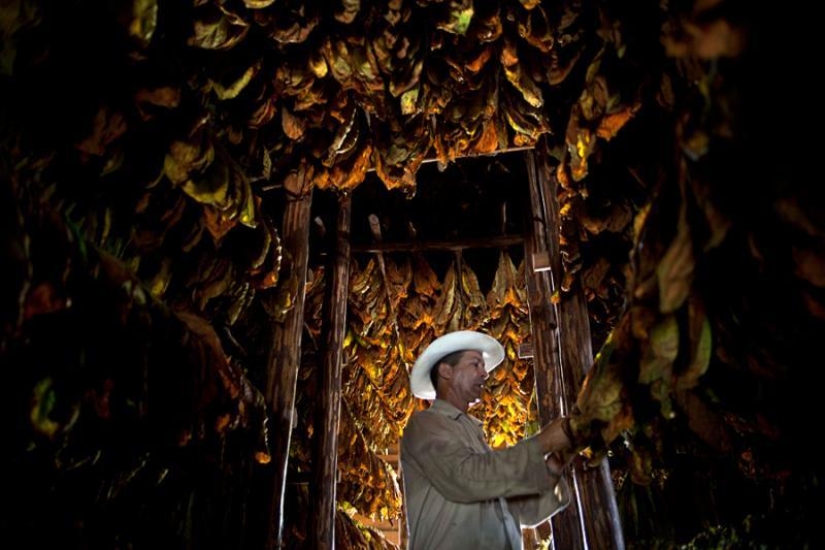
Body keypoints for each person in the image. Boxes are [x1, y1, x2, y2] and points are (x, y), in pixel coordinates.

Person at [400, 330, 575, 550]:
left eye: (483, 366)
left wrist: (553, 466)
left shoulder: (475, 436)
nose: (485, 374)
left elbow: (523, 513)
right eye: (475, 364)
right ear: (446, 371)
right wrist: (543, 443)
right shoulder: (425, 426)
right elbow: (466, 479)